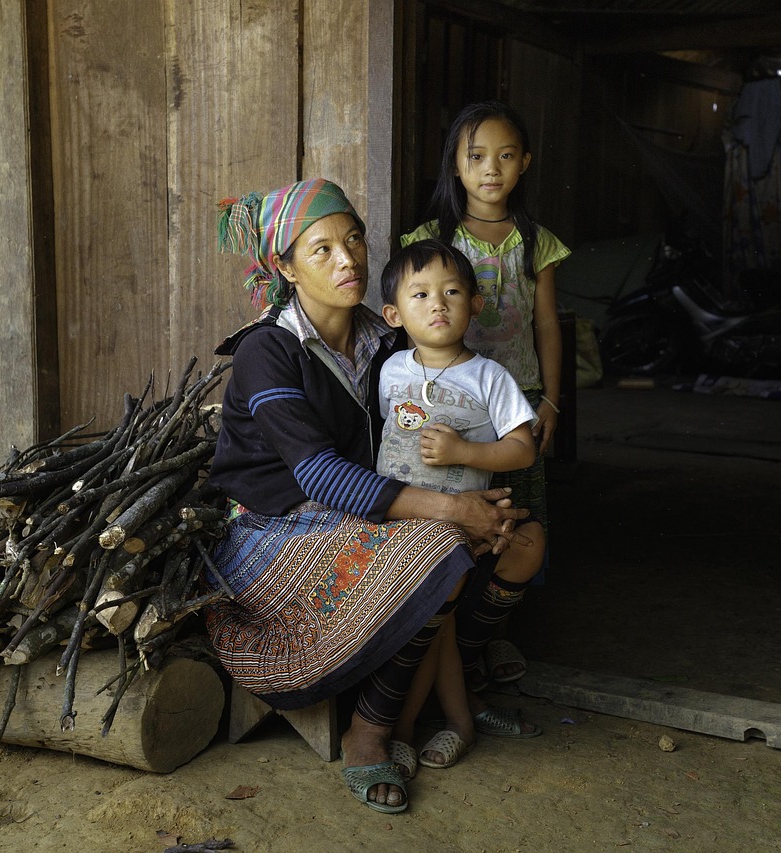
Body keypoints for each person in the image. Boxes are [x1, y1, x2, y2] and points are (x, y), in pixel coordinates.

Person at [205, 179, 525, 814]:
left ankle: (449, 696)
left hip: (351, 520)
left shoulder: (383, 343)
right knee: (436, 545)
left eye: (353, 239)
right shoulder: (268, 352)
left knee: (493, 538)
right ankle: (370, 733)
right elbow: (319, 475)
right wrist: (454, 508)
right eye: (321, 250)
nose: (348, 259)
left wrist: (478, 497)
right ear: (286, 268)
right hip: (265, 534)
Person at [402, 100, 571, 690]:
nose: (490, 169)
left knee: (517, 521)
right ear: (455, 165)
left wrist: (550, 399)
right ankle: (445, 632)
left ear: (524, 163)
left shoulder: (537, 242)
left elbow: (547, 323)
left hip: (517, 404)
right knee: (459, 519)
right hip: (452, 405)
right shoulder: (432, 239)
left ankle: (489, 634)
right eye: (476, 157)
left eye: (504, 156)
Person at [376, 239, 544, 770]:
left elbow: (523, 448)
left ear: (475, 304)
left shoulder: (488, 376)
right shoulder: (391, 372)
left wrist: (463, 451)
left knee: (442, 610)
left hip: (463, 527)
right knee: (437, 616)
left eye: (451, 292)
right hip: (401, 525)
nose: (437, 304)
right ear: (394, 314)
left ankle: (414, 727)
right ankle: (459, 721)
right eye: (420, 295)